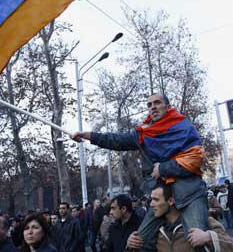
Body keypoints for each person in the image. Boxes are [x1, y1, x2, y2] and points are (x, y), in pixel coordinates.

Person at [71, 94, 209, 251]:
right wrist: (87, 136)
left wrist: (163, 168)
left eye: (157, 103)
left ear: (168, 107)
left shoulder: (184, 126)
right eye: (149, 104)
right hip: (161, 200)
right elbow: (116, 140)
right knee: (136, 243)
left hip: (190, 196)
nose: (153, 107)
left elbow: (195, 158)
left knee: (199, 242)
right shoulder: (145, 133)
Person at [126, 179, 233, 252]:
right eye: (151, 199)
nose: (151, 204)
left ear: (171, 201)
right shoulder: (156, 229)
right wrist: (131, 243)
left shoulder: (202, 222)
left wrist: (208, 237)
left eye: (156, 200)